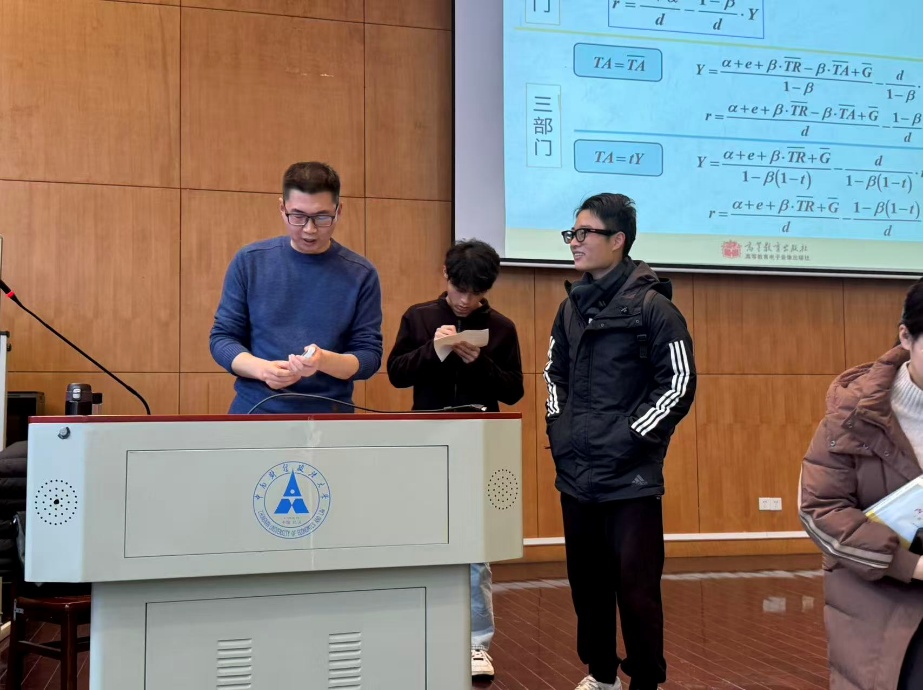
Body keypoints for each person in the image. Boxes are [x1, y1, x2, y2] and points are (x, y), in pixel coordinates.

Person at [544, 193, 696, 690]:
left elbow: (678, 385)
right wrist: (560, 431)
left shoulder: (655, 308)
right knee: (587, 588)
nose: (574, 242)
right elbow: (553, 375)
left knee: (636, 592)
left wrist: (631, 437)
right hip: (576, 474)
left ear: (618, 240)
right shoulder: (570, 308)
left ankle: (645, 681)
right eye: (572, 233)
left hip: (631, 478)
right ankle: (601, 675)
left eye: (584, 233)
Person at [386, 239, 524, 680]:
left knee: (475, 547)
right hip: (426, 441)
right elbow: (396, 374)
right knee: (419, 536)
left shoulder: (501, 328)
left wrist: (479, 361)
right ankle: (417, 629)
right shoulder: (419, 316)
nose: (465, 300)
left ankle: (476, 643)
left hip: (478, 442)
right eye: (460, 288)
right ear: (445, 276)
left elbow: (513, 391)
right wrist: (434, 349)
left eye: (476, 292)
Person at [800, 279, 923, 690]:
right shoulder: (853, 415)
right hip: (881, 597)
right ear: (905, 336)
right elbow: (822, 509)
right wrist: (910, 565)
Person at [210, 161, 382, 413]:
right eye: (298, 217)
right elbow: (223, 338)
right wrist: (262, 369)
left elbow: (369, 356)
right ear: (282, 208)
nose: (309, 230)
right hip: (255, 411)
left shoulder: (361, 274)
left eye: (322, 217)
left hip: (329, 416)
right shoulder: (250, 261)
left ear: (339, 210)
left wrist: (324, 361)